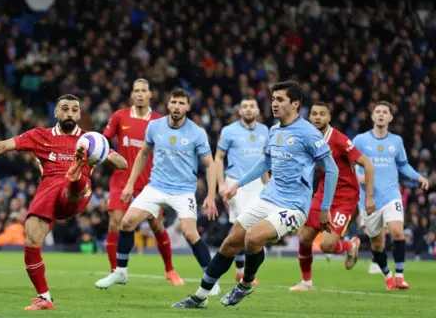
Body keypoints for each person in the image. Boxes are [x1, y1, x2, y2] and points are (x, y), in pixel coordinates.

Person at [171, 80, 339, 309]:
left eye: (281, 100)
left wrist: (325, 208)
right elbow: (266, 162)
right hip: (268, 198)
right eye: (273, 99)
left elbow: (332, 168)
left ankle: (246, 284)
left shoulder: (308, 133)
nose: (274, 104)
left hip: (293, 207)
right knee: (230, 243)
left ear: (296, 104)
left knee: (252, 239)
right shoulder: (274, 130)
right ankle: (199, 297)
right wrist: (237, 185)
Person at [0, 94, 127, 310]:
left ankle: (76, 175)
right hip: (48, 190)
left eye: (74, 109)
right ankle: (45, 298)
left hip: (77, 193)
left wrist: (99, 155)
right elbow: (5, 145)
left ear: (79, 114)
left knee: (73, 183)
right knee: (31, 240)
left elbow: (123, 163)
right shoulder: (40, 136)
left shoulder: (90, 140)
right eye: (65, 108)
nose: (70, 113)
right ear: (56, 112)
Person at [94, 88, 220, 295]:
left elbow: (210, 164)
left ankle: (211, 279)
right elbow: (143, 154)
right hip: (156, 186)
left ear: (188, 107)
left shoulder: (197, 132)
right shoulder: (155, 126)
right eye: (174, 102)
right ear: (168, 104)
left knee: (190, 233)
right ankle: (121, 271)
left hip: (183, 191)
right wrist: (129, 184)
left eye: (181, 103)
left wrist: (210, 195)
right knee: (126, 222)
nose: (177, 107)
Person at [102, 78, 183, 285]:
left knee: (156, 225)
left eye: (143, 90)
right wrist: (110, 155)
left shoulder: (158, 121)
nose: (139, 94)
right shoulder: (119, 116)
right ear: (131, 95)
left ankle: (170, 270)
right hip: (121, 180)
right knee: (115, 223)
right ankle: (116, 270)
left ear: (150, 95)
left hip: (150, 183)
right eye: (136, 90)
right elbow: (104, 140)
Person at [290, 102, 375, 291]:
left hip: (345, 197)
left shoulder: (339, 140)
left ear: (329, 118)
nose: (317, 117)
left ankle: (350, 244)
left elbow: (367, 164)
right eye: (314, 114)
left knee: (327, 246)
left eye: (322, 114)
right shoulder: (307, 139)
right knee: (304, 238)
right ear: (309, 117)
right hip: (322, 193)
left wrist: (368, 197)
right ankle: (306, 283)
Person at [352, 101, 430, 290]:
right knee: (378, 244)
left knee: (397, 231)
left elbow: (402, 164)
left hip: (390, 194)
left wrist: (419, 177)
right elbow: (350, 161)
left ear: (390, 117)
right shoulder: (360, 140)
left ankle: (400, 276)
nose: (380, 114)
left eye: (384, 112)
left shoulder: (396, 141)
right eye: (377, 111)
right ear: (372, 117)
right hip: (369, 199)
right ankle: (388, 275)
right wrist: (357, 174)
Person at [215, 97, 268, 284]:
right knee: (244, 225)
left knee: (253, 227)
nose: (248, 109)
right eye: (244, 106)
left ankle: (241, 269)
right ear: (239, 111)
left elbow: (265, 161)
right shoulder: (229, 131)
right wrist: (221, 185)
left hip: (258, 185)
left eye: (251, 106)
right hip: (235, 182)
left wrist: (268, 185)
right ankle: (242, 270)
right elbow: (219, 157)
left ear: (258, 110)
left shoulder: (265, 131)